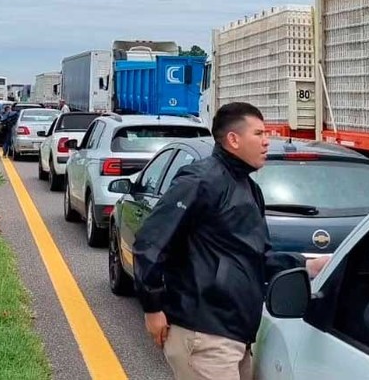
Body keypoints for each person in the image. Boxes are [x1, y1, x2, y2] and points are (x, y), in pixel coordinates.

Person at [132, 102, 331, 380]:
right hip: (203, 335)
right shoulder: (201, 180)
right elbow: (150, 241)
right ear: (233, 139)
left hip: (236, 335)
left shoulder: (249, 189)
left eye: (266, 134)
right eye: (259, 134)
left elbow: (256, 258)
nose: (266, 141)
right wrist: (152, 308)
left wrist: (308, 265)